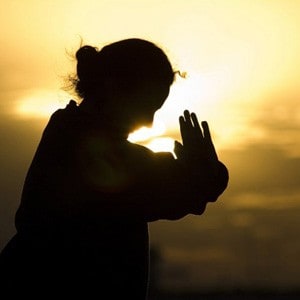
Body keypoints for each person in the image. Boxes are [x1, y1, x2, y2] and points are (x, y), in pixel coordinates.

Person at [0, 38, 228, 299]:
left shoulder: (67, 130)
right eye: (147, 107)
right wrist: (205, 172)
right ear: (112, 88)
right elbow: (164, 187)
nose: (149, 122)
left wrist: (202, 173)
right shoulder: (85, 147)